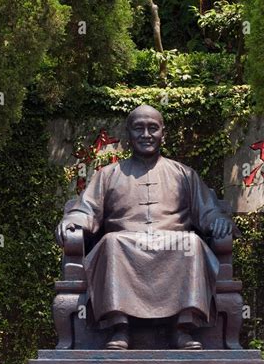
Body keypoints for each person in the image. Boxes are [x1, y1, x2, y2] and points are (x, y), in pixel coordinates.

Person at [56, 105, 232, 350]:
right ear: (129, 133)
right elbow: (87, 209)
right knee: (111, 242)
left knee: (191, 243)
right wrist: (72, 220)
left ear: (163, 133)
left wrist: (217, 220)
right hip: (124, 244)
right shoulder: (108, 174)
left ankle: (183, 328)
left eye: (153, 128)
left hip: (174, 244)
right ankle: (119, 328)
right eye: (139, 128)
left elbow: (208, 211)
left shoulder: (183, 174)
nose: (146, 134)